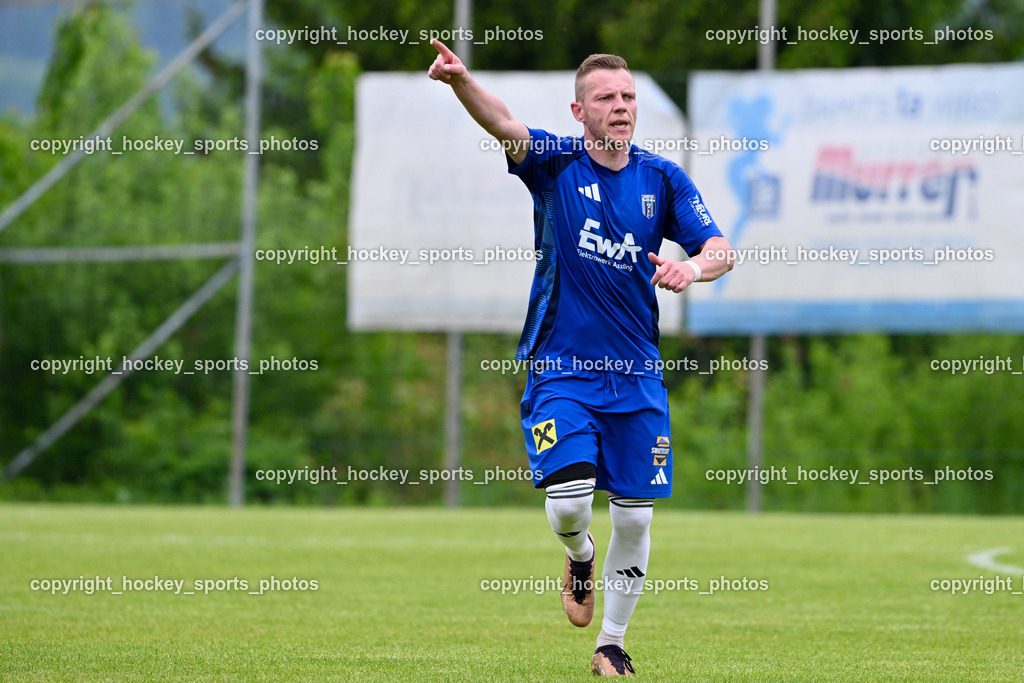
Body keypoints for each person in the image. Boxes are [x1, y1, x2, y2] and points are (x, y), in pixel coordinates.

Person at [428, 39, 733, 677]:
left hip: (638, 376)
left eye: (627, 97)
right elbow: (503, 121)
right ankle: (578, 554)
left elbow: (721, 249)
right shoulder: (556, 163)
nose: (620, 107)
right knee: (570, 504)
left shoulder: (663, 179)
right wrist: (461, 83)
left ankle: (612, 644)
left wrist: (692, 269)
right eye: (606, 99)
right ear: (579, 111)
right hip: (560, 367)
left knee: (636, 517)